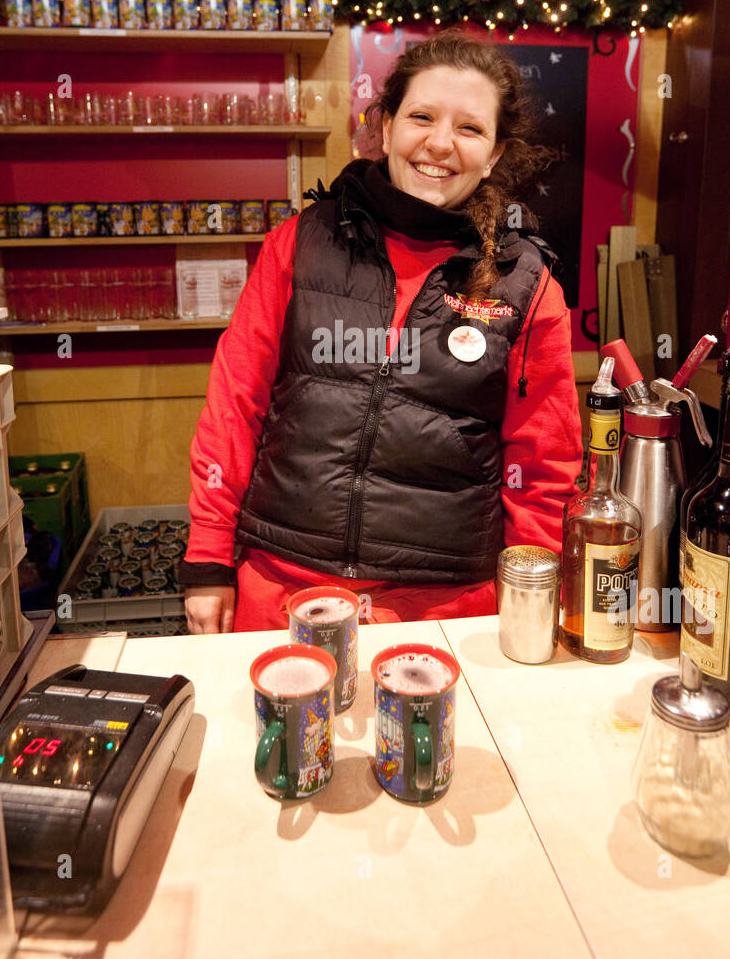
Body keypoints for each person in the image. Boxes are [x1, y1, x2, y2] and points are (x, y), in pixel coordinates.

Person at [180, 31, 582, 633]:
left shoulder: (526, 286)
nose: (440, 144)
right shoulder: (298, 244)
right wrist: (208, 556)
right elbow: (234, 404)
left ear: (495, 154)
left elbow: (545, 462)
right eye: (421, 117)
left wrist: (534, 592)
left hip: (447, 606)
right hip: (282, 587)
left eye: (470, 129)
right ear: (386, 126)